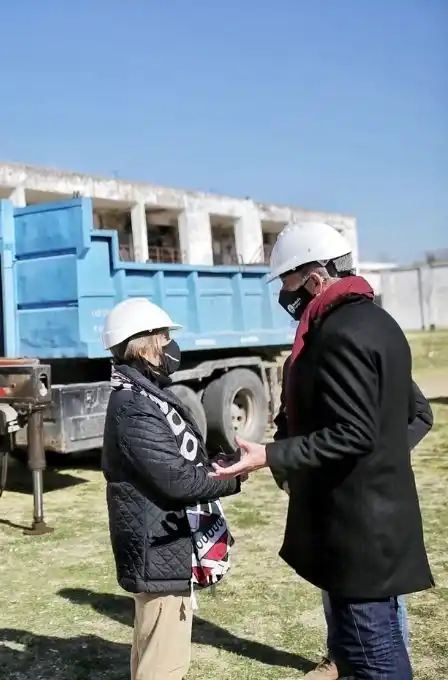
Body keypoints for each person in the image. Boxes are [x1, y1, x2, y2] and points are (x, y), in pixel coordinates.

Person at [211, 221, 435, 679]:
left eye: (288, 281)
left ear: (314, 278)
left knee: (374, 651)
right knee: (369, 644)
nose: (285, 294)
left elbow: (355, 433)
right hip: (368, 518)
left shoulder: (339, 333)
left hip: (358, 528)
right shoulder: (376, 321)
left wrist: (270, 455)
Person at [101, 297, 241, 680]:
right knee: (164, 663)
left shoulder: (146, 395)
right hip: (157, 548)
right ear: (143, 344)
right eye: (164, 337)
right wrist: (233, 478)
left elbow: (177, 461)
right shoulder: (134, 405)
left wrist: (217, 465)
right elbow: (176, 480)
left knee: (153, 652)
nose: (170, 345)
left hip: (161, 545)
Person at [277, 374, 434, 680]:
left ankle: (391, 662)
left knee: (380, 594)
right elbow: (286, 422)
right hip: (321, 498)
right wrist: (285, 475)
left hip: (368, 498)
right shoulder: (295, 362)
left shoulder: (367, 355)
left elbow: (421, 414)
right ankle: (341, 657)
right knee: (331, 580)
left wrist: (378, 458)